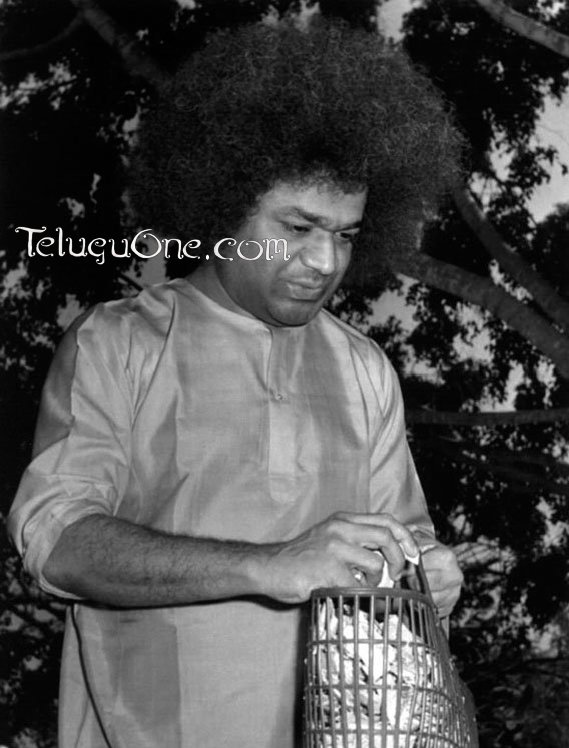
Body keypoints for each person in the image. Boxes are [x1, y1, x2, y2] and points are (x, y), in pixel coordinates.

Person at [8, 21, 464, 748]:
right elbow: (56, 540)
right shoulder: (118, 342)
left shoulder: (364, 368)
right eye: (299, 227)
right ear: (225, 209)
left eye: (345, 235)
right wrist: (265, 566)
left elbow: (402, 547)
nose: (325, 262)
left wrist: (426, 578)